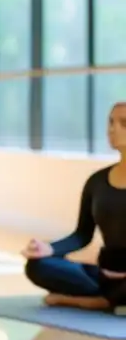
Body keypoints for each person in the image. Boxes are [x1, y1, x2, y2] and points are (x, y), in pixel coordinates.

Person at [21, 102, 126, 311]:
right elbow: (81, 235)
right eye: (111, 122)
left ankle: (92, 301)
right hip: (103, 273)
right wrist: (49, 248)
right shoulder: (96, 181)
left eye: (124, 123)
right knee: (38, 266)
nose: (112, 129)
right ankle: (109, 299)